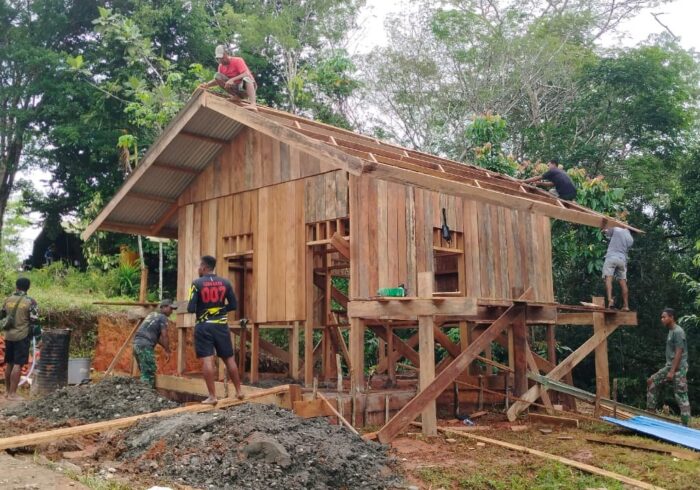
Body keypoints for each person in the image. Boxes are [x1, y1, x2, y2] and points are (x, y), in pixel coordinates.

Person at [187, 255, 245, 404]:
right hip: (221, 326)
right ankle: (239, 391)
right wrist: (219, 310)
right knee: (229, 359)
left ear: (204, 267)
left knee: (208, 359)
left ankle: (212, 397)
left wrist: (205, 310)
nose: (198, 269)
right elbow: (233, 305)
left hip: (204, 326)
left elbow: (190, 308)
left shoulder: (196, 284)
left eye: (199, 266)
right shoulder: (225, 283)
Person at [646, 308, 691, 426]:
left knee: (680, 394)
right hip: (670, 366)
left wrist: (672, 371)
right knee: (651, 381)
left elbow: (679, 352)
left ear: (671, 317)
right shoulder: (671, 331)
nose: (662, 319)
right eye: (661, 317)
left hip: (679, 368)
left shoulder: (678, 331)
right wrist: (669, 369)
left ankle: (685, 423)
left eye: (664, 317)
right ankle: (651, 413)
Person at [1, 278, 41, 401]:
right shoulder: (30, 302)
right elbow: (35, 322)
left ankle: (7, 392)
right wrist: (38, 338)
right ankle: (13, 394)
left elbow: (2, 316)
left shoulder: (7, 300)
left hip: (9, 336)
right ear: (28, 287)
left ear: (16, 286)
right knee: (18, 364)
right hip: (21, 336)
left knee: (9, 363)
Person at [198, 45, 257, 110]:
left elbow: (246, 74)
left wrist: (232, 79)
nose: (221, 60)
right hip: (236, 88)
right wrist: (207, 85)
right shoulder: (221, 66)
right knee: (217, 76)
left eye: (222, 58)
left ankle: (253, 104)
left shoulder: (237, 60)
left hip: (246, 87)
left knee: (247, 78)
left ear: (226, 54)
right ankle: (237, 97)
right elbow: (217, 80)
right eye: (219, 59)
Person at [132, 299, 175, 387]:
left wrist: (165, 347)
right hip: (145, 346)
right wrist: (167, 351)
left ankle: (140, 392)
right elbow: (164, 335)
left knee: (144, 371)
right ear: (164, 307)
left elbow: (156, 337)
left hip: (136, 345)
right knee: (149, 372)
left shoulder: (152, 315)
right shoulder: (163, 317)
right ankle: (146, 393)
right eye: (171, 308)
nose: (172, 311)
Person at [602, 221, 634, 310]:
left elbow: (607, 232)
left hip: (611, 257)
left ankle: (610, 301)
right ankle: (626, 306)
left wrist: (604, 226)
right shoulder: (631, 239)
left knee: (608, 278)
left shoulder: (617, 229)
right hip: (622, 260)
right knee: (623, 282)